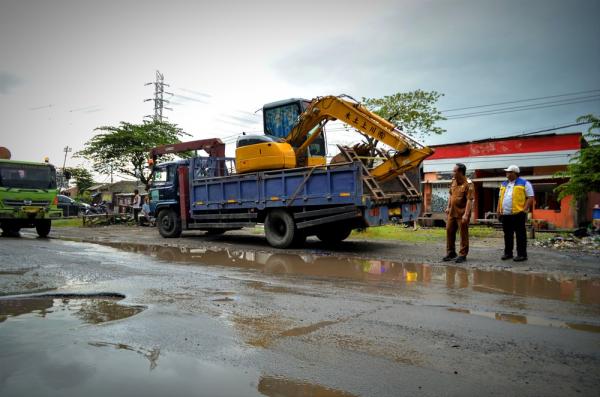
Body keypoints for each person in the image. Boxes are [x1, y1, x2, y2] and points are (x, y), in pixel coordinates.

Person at [497, 165, 535, 262]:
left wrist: (524, 210)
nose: (507, 173)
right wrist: (498, 210)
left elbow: (530, 197)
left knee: (520, 235)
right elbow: (500, 198)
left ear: (515, 173)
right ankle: (508, 253)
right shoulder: (503, 184)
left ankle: (522, 255)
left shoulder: (524, 183)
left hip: (518, 213)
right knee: (507, 234)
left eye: (509, 172)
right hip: (505, 214)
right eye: (507, 172)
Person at [443, 163, 474, 263]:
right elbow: (450, 195)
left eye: (455, 171)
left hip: (462, 213)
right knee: (449, 231)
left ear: (460, 172)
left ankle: (462, 254)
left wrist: (466, 214)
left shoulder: (468, 183)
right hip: (452, 212)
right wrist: (448, 207)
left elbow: (469, 200)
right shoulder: (453, 181)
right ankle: (451, 252)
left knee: (463, 234)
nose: (453, 173)